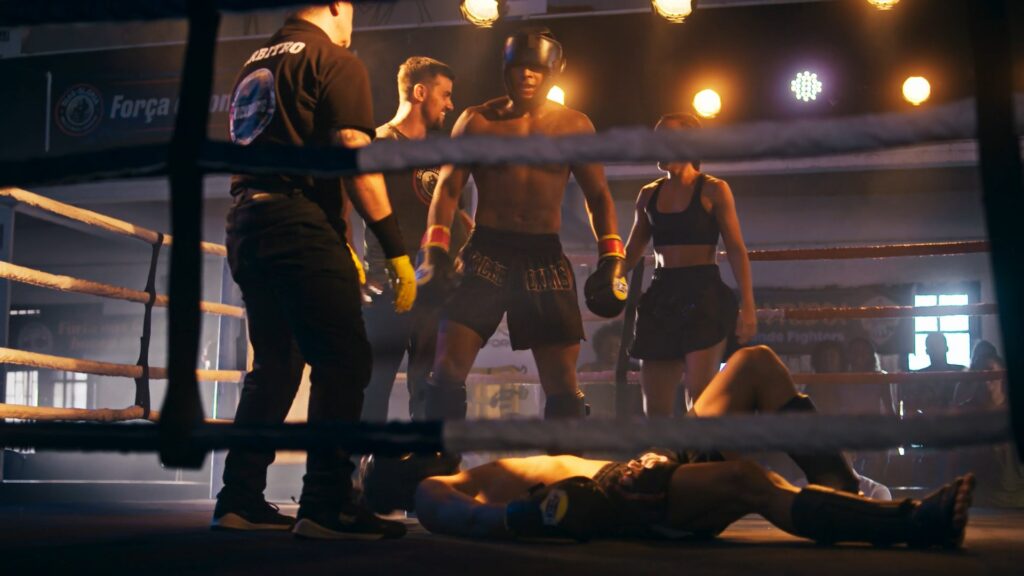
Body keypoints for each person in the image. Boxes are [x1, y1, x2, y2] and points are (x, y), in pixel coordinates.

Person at [361, 346, 974, 547]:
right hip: (624, 498)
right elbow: (470, 521)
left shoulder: (466, 466)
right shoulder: (433, 493)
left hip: (641, 466)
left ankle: (841, 492)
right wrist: (541, 513)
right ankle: (910, 523)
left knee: (753, 364)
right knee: (748, 481)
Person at [212, 2, 414, 540]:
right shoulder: (333, 59)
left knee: (275, 364)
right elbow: (353, 155)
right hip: (297, 222)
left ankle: (237, 500)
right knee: (343, 360)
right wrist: (394, 249)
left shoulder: (256, 61)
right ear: (336, 4)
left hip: (247, 222)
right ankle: (328, 505)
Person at [415, 28, 627, 424]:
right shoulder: (476, 121)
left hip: (543, 255)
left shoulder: (574, 126)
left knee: (561, 380)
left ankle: (563, 462)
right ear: (506, 70)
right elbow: (447, 188)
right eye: (519, 68)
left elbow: (598, 196)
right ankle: (436, 454)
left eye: (536, 69)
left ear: (551, 73)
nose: (527, 75)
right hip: (485, 251)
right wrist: (435, 249)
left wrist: (612, 255)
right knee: (447, 367)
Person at [360, 56, 474, 423]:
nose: (450, 104)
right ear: (421, 92)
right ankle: (360, 459)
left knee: (431, 387)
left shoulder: (442, 154)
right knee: (372, 385)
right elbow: (347, 204)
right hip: (390, 284)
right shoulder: (378, 143)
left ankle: (427, 456)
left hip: (436, 285)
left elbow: (458, 215)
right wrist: (357, 267)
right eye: (446, 94)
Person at [623, 113, 756, 417]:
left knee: (700, 396)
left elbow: (736, 249)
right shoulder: (648, 194)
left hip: (703, 293)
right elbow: (632, 252)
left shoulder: (714, 189)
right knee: (655, 406)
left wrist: (748, 306)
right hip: (661, 293)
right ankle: (667, 450)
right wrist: (608, 274)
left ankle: (699, 449)